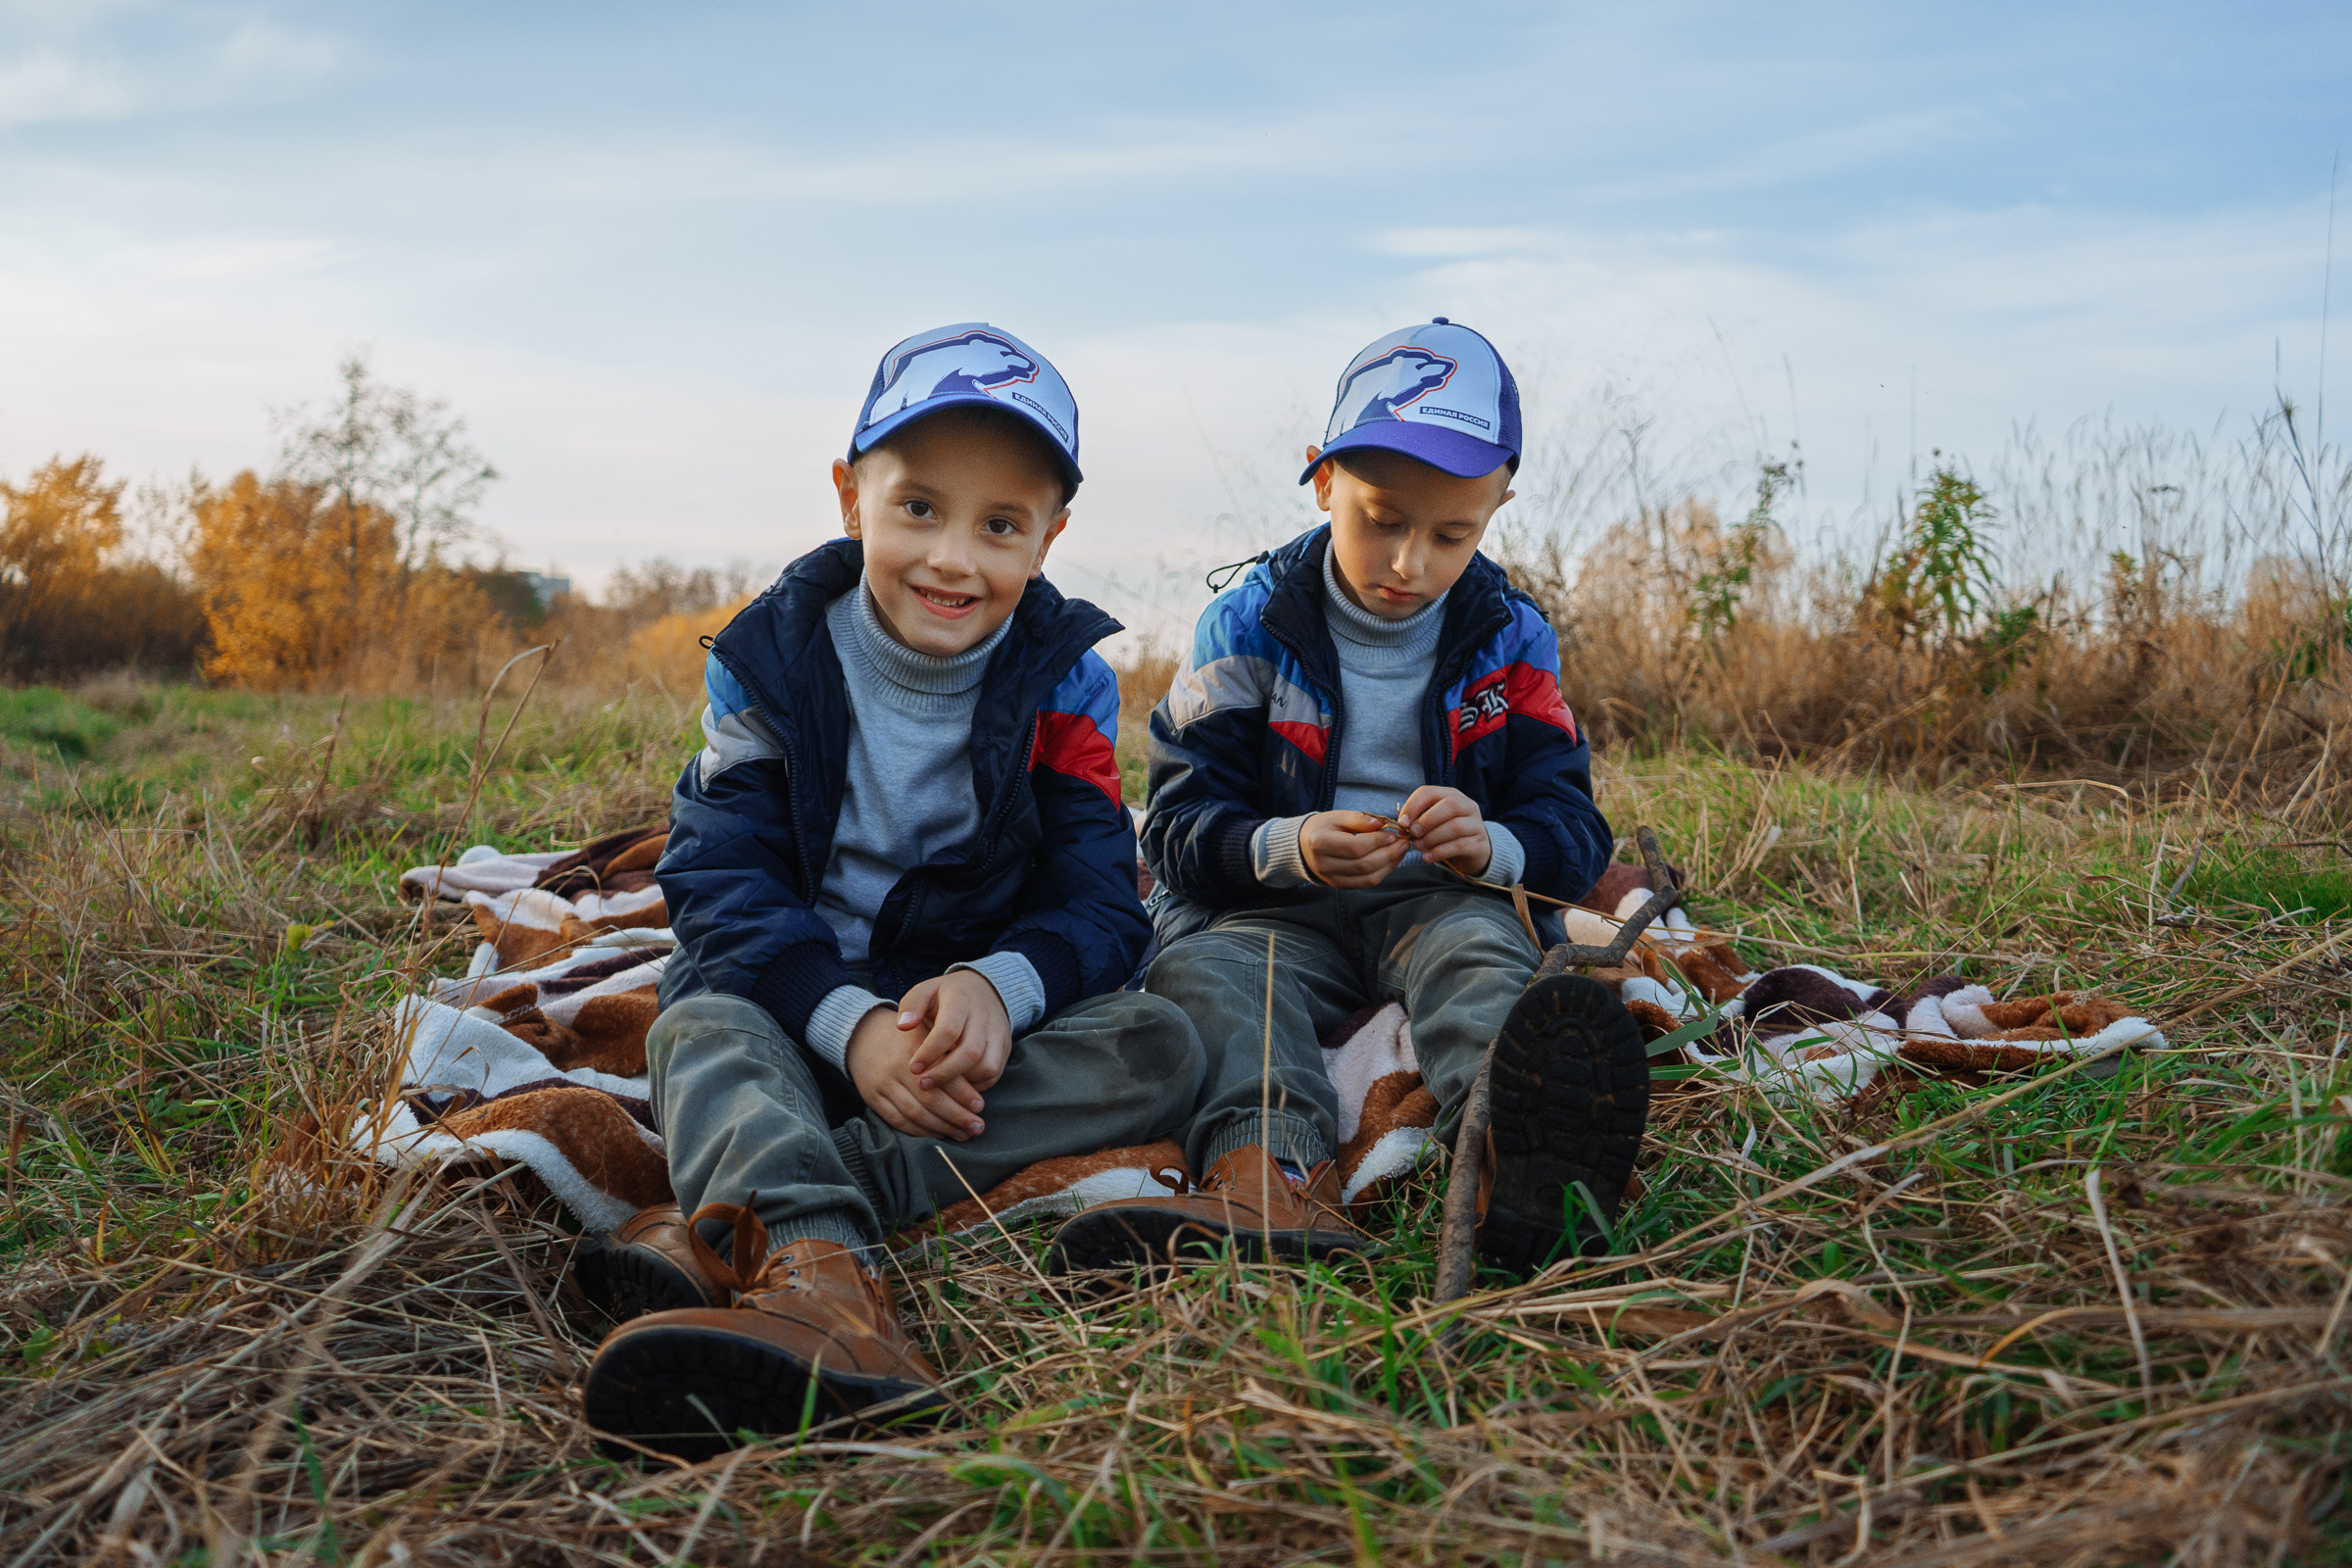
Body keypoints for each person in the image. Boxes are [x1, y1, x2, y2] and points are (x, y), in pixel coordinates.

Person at [580, 323, 1203, 1459]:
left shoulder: (1066, 682)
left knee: (1158, 1043)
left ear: (1050, 536)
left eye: (1001, 525)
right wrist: (844, 1020)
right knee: (700, 1027)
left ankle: (734, 1220)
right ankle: (827, 1287)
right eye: (918, 507)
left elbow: (1106, 901)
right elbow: (718, 873)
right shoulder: (771, 655)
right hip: (792, 1001)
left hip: (960, 1040)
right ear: (850, 494)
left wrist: (1001, 987)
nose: (954, 559)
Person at [1050, 319, 1647, 1283]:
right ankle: (1269, 1177)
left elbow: (1572, 829)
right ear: (1323, 479)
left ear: (1498, 506)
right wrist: (1288, 845)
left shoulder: (1511, 637)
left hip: (1440, 901)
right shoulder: (1245, 623)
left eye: (1452, 534)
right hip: (1274, 908)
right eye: (1382, 519)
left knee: (1485, 955)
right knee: (1213, 977)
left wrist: (1491, 844)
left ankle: (1515, 1167)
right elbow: (1176, 828)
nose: (1410, 562)